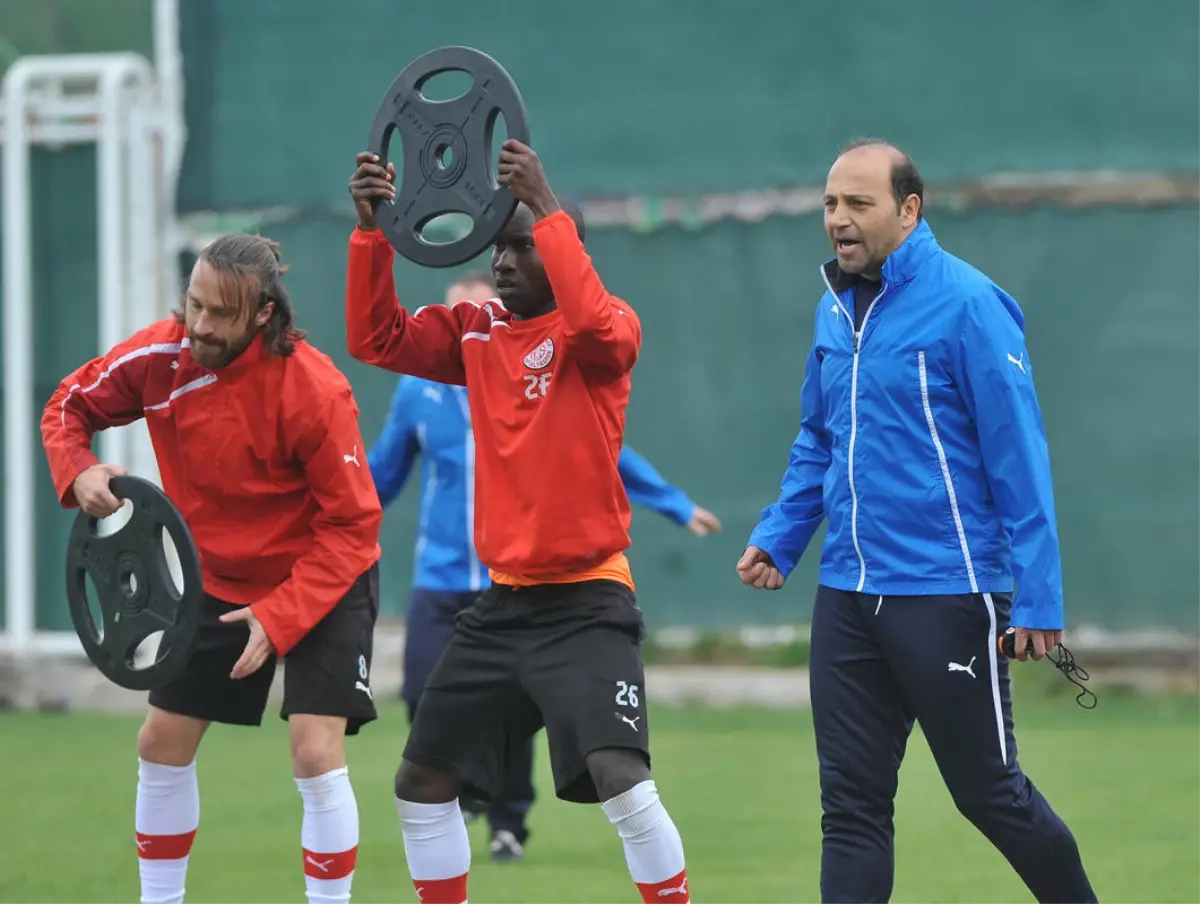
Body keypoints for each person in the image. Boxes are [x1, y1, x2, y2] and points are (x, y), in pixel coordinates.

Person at [737, 139, 1097, 903]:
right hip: (847, 596)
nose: (838, 218)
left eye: (858, 204)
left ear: (908, 210)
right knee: (851, 811)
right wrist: (782, 532)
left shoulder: (969, 304)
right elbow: (819, 437)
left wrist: (1037, 598)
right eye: (831, 203)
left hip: (948, 594)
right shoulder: (833, 309)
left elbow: (1019, 459)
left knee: (990, 797)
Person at [346, 141, 695, 904]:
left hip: (587, 603)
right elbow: (375, 339)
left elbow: (602, 331)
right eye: (496, 249)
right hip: (501, 606)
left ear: (558, 247)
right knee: (420, 782)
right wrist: (371, 229)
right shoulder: (475, 332)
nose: (501, 263)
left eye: (518, 248)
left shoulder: (600, 332)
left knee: (621, 783)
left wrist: (546, 206)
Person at [41, 234, 384, 904]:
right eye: (193, 304)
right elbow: (68, 405)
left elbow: (353, 527)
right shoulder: (159, 355)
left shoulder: (315, 390)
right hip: (218, 580)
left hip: (320, 579)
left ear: (261, 314)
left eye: (219, 313)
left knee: (315, 755)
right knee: (160, 743)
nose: (199, 324)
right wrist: (77, 470)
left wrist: (281, 617)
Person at [368, 270, 722, 863]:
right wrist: (336, 521)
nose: (469, 324)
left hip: (537, 581)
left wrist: (675, 503)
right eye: (454, 313)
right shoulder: (421, 393)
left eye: (480, 311)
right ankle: (469, 791)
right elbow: (383, 470)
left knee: (547, 723)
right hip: (444, 572)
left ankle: (508, 822)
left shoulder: (539, 363)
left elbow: (609, 450)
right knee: (422, 703)